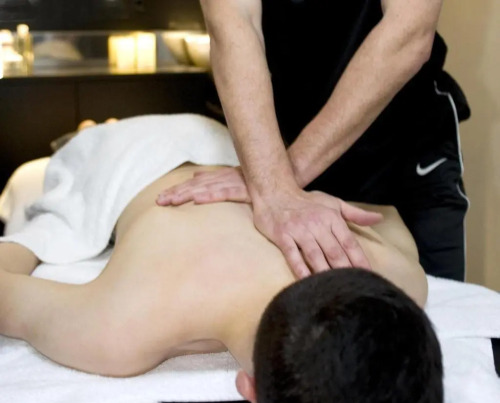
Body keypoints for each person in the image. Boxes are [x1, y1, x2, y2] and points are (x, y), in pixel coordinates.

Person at [0, 117, 454, 403]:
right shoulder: (119, 329)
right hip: (149, 157)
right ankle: (91, 130)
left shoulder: (398, 280)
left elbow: (387, 216)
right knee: (82, 158)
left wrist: (315, 200)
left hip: (219, 146)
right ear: (248, 389)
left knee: (98, 138)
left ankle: (95, 127)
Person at [157, 0, 470, 282]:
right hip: (289, 141)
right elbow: (233, 25)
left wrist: (278, 182)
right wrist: (273, 183)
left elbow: (409, 33)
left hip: (404, 149)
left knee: (434, 308)